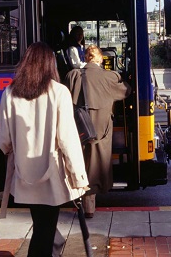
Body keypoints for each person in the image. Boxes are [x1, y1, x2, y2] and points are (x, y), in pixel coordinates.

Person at [0, 42, 89, 257]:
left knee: (42, 225)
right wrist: (79, 178)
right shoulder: (59, 92)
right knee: (45, 228)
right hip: (51, 175)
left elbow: (4, 140)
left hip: (23, 173)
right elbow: (67, 139)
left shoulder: (9, 92)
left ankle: (54, 247)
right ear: (50, 64)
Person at [65, 45, 131, 218]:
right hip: (102, 130)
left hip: (80, 128)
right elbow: (126, 90)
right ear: (101, 59)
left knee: (82, 161)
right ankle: (89, 206)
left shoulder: (73, 76)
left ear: (86, 58)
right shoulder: (109, 77)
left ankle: (82, 199)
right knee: (96, 163)